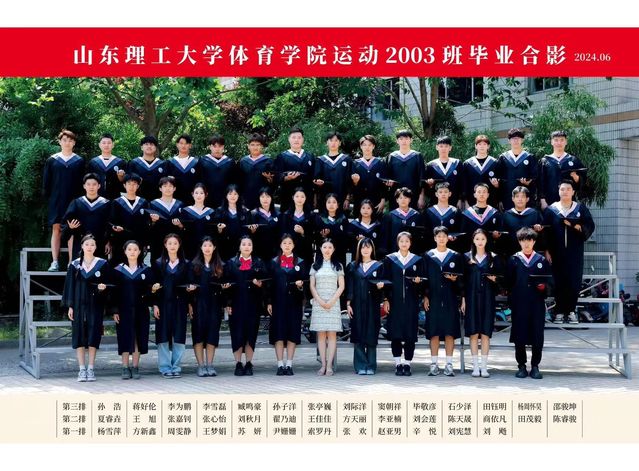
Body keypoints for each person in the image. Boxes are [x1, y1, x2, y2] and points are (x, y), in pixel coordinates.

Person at [544, 180, 595, 324]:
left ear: (573, 192)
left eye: (568, 189)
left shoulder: (580, 209)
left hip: (575, 252)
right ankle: (559, 312)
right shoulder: (551, 210)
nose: (565, 191)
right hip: (556, 252)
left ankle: (571, 311)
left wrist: (579, 227)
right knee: (558, 281)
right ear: (558, 191)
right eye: (562, 189)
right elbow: (545, 232)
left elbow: (590, 225)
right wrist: (546, 250)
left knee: (574, 281)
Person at [62, 234, 111, 382]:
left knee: (93, 335)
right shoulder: (75, 265)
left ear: (96, 247)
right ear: (82, 246)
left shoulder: (102, 264)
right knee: (79, 336)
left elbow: (108, 285)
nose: (89, 247)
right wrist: (70, 306)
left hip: (95, 305)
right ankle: (81, 369)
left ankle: (91, 368)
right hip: (78, 305)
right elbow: (69, 287)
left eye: (92, 244)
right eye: (87, 244)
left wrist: (103, 289)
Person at [506, 227, 552, 379]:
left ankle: (535, 366)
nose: (526, 244)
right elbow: (508, 283)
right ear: (519, 242)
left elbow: (550, 281)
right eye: (523, 240)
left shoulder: (541, 260)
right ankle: (521, 366)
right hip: (519, 303)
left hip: (536, 303)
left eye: (529, 240)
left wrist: (544, 287)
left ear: (534, 241)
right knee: (519, 334)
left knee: (537, 334)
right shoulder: (514, 260)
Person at [223, 236, 268, 376]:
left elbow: (267, 283)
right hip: (236, 304)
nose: (247, 247)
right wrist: (227, 303)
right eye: (244, 244)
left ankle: (249, 363)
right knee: (236, 334)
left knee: (251, 333)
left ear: (252, 247)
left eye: (249, 244)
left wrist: (260, 285)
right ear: (239, 247)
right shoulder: (231, 263)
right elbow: (225, 283)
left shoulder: (258, 262)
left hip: (253, 304)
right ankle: (238, 363)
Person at [423, 226, 463, 377]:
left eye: (444, 236)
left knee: (449, 332)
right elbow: (424, 279)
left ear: (448, 238)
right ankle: (433, 364)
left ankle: (449, 364)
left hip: (449, 298)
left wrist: (455, 280)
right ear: (434, 238)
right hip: (433, 298)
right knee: (433, 332)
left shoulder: (455, 256)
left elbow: (461, 279)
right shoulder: (428, 256)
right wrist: (425, 296)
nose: (441, 239)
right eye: (438, 236)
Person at [266, 234, 309, 376]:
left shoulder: (300, 262)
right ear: (280, 245)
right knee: (278, 333)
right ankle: (280, 365)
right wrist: (269, 302)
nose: (287, 245)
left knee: (292, 332)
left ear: (294, 245)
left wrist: (300, 286)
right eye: (284, 243)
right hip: (278, 303)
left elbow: (305, 283)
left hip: (294, 303)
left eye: (290, 243)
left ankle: (289, 364)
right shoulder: (274, 262)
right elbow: (269, 284)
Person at [461, 229, 502, 378]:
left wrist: (495, 280)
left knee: (485, 333)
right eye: (477, 239)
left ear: (487, 240)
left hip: (487, 298)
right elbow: (462, 280)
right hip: (471, 298)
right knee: (473, 332)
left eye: (483, 239)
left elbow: (501, 280)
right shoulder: (466, 257)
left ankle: (484, 367)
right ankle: (475, 366)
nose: (480, 242)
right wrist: (463, 299)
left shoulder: (493, 258)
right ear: (473, 240)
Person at [383, 232, 424, 376]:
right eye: (401, 241)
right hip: (395, 303)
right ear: (397, 243)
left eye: (407, 241)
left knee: (410, 335)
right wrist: (386, 299)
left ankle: (407, 364)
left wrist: (418, 283)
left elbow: (423, 282)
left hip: (411, 303)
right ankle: (397, 363)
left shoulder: (417, 260)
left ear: (410, 243)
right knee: (395, 334)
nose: (404, 243)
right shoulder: (390, 259)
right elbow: (386, 281)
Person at [111, 240, 154, 380]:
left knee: (138, 338)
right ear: (125, 252)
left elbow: (150, 291)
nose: (132, 252)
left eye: (135, 249)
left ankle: (135, 367)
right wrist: (115, 310)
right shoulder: (118, 270)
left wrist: (152, 292)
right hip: (123, 310)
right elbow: (113, 293)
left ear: (140, 252)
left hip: (141, 309)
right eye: (129, 249)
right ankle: (125, 367)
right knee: (124, 337)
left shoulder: (146, 270)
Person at [43, 129, 85, 271]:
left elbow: (82, 184)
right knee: (56, 229)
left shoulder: (79, 161)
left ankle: (71, 262)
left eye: (70, 140)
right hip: (56, 201)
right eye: (64, 140)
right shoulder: (52, 160)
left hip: (73, 201)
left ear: (74, 143)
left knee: (72, 229)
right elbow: (46, 183)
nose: (67, 143)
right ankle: (54, 261)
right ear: (60, 142)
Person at [151, 233, 191, 378]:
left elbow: (189, 282)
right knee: (163, 335)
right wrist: (155, 304)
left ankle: (176, 366)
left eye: (175, 243)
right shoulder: (158, 263)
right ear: (165, 245)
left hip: (180, 304)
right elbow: (154, 285)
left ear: (179, 245)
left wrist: (189, 301)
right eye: (170, 243)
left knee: (179, 334)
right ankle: (165, 367)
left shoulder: (186, 264)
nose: (172, 246)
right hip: (163, 303)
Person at [189, 236, 227, 377]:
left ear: (214, 247)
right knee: (198, 334)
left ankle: (210, 364)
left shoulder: (220, 265)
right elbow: (188, 285)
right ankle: (200, 365)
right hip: (198, 304)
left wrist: (225, 290)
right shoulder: (193, 265)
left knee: (212, 334)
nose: (207, 248)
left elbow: (225, 286)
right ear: (201, 247)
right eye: (205, 245)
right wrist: (189, 303)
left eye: (210, 245)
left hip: (214, 304)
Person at [346, 238, 385, 375]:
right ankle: (360, 365)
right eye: (363, 247)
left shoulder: (379, 266)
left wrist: (381, 288)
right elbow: (350, 285)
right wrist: (348, 303)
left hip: (372, 304)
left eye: (368, 247)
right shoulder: (353, 266)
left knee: (371, 333)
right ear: (359, 249)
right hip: (357, 304)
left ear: (372, 249)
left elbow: (384, 286)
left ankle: (371, 365)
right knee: (358, 333)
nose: (366, 249)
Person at [309, 238, 345, 376]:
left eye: (330, 247)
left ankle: (329, 366)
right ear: (320, 249)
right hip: (319, 303)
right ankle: (323, 365)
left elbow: (341, 286)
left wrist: (331, 301)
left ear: (334, 249)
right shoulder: (315, 266)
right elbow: (312, 286)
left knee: (332, 334)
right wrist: (320, 301)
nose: (327, 250)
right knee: (321, 335)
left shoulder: (338, 265)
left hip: (333, 303)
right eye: (325, 247)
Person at [61, 173, 111, 259]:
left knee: (99, 266)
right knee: (80, 266)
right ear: (84, 186)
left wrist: (109, 241)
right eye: (88, 184)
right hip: (80, 243)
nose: (91, 187)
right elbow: (65, 223)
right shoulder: (77, 203)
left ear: (99, 186)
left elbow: (110, 224)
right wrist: (70, 227)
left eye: (94, 184)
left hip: (100, 243)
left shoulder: (106, 204)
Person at [538, 130, 587, 210]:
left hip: (569, 202)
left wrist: (577, 178)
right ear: (552, 142)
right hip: (549, 201)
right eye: (556, 140)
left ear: (566, 142)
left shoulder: (573, 160)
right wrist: (542, 200)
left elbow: (584, 180)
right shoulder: (545, 161)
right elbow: (540, 182)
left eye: (562, 140)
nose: (559, 143)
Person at [109, 173, 150, 266]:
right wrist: (115, 227)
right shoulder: (117, 202)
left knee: (137, 265)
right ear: (124, 185)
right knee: (119, 265)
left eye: (134, 184)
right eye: (129, 184)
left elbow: (147, 223)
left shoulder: (143, 202)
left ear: (138, 186)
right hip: (121, 240)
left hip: (138, 240)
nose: (131, 187)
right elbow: (111, 221)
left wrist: (146, 242)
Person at [274, 126, 316, 212]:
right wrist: (286, 178)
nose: (296, 140)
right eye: (293, 137)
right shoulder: (282, 157)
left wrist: (315, 195)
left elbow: (314, 176)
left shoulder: (310, 156)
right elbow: (277, 176)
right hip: (288, 196)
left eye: (299, 137)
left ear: (303, 140)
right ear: (289, 139)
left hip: (307, 197)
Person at [497, 128, 537, 210]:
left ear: (522, 140)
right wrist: (500, 199)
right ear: (509, 141)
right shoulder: (503, 158)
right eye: (513, 138)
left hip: (525, 197)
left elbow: (535, 177)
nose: (516, 140)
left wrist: (528, 182)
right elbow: (499, 179)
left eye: (518, 138)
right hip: (507, 197)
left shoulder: (530, 157)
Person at [147, 176, 185, 263]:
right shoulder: (153, 204)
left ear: (174, 188)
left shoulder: (180, 204)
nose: (168, 188)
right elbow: (148, 225)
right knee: (157, 263)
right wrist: (153, 221)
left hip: (175, 241)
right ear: (160, 188)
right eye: (165, 186)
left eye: (170, 186)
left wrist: (180, 225)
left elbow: (183, 226)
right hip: (158, 240)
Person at [385, 129, 426, 209]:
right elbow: (387, 177)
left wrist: (421, 196)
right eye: (401, 139)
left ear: (411, 140)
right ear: (397, 141)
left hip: (413, 195)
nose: (404, 141)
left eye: (406, 138)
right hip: (396, 196)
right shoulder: (391, 157)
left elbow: (422, 177)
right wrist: (388, 182)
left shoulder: (417, 156)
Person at [313, 131, 353, 209]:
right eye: (331, 140)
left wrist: (347, 198)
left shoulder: (347, 159)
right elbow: (316, 179)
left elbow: (349, 181)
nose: (333, 143)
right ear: (327, 143)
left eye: (336, 140)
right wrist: (317, 182)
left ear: (340, 143)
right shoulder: (320, 160)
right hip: (324, 199)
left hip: (342, 199)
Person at [214, 184, 253, 261]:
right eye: (230, 194)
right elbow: (215, 231)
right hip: (224, 246)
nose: (233, 196)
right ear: (226, 196)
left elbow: (249, 231)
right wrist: (219, 229)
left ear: (238, 196)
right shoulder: (219, 211)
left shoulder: (245, 211)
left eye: (235, 194)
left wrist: (252, 229)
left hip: (240, 246)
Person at [380, 187, 424, 257]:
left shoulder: (416, 215)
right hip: (394, 252)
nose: (403, 200)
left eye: (405, 198)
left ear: (409, 199)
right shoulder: (390, 216)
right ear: (397, 200)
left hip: (413, 253)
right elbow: (386, 237)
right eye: (400, 198)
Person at [350, 135, 387, 217]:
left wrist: (383, 200)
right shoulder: (355, 163)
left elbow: (384, 184)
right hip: (360, 201)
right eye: (364, 145)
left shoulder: (380, 162)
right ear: (361, 146)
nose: (367, 147)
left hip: (376, 202)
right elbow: (351, 185)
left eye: (370, 145)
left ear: (373, 146)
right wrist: (355, 182)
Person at [459, 183, 502, 253]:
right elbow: (463, 235)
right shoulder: (467, 213)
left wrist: (497, 235)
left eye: (484, 192)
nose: (481, 194)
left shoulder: (494, 213)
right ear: (474, 195)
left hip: (490, 250)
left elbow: (499, 231)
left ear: (488, 195)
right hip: (471, 251)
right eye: (479, 192)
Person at [501, 186, 544, 256]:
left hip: (531, 253)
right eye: (517, 196)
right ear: (513, 199)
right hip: (511, 253)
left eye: (523, 197)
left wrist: (539, 230)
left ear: (527, 199)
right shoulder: (506, 215)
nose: (520, 199)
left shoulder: (534, 214)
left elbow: (542, 235)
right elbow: (503, 235)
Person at [199, 134, 238, 209]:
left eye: (220, 146)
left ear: (223, 147)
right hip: (207, 200)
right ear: (210, 147)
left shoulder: (230, 162)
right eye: (214, 146)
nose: (217, 149)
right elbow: (199, 181)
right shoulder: (203, 161)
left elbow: (234, 183)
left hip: (225, 200)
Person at [462, 135, 500, 208]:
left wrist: (497, 185)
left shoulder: (495, 163)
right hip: (472, 202)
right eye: (479, 144)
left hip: (491, 203)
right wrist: (465, 201)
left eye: (484, 144)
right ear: (475, 146)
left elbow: (500, 185)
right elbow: (464, 184)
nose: (482, 146)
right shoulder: (467, 164)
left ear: (488, 146)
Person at [425, 136, 463, 209]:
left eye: (446, 146)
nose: (443, 149)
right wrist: (430, 185)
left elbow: (462, 183)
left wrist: (460, 199)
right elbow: (426, 187)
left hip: (454, 201)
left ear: (450, 148)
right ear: (437, 147)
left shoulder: (457, 163)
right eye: (441, 146)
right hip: (436, 202)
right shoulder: (430, 165)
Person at [238, 133, 274, 209]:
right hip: (246, 198)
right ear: (248, 146)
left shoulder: (268, 161)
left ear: (262, 146)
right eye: (252, 145)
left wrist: (270, 179)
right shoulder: (243, 161)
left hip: (263, 198)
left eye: (258, 145)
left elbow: (274, 182)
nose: (255, 147)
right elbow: (239, 181)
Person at [179, 183, 215, 260]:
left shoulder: (211, 212)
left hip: (206, 247)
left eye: (201, 193)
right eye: (196, 193)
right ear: (192, 194)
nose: (199, 195)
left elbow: (213, 232)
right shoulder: (186, 211)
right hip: (189, 246)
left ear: (206, 195)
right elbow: (182, 231)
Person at [86, 133, 126, 201]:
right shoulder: (93, 162)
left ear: (113, 145)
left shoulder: (120, 162)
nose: (106, 145)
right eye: (104, 143)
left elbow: (125, 183)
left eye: (109, 143)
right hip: (96, 198)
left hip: (114, 198)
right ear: (99, 145)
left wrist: (121, 177)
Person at [279, 187, 314, 264]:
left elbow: (312, 236)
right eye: (297, 196)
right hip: (290, 251)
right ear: (293, 197)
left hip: (305, 251)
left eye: (302, 196)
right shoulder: (286, 215)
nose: (299, 199)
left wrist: (303, 232)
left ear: (305, 198)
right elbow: (282, 234)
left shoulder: (310, 215)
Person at [128, 135, 168, 203]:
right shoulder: (133, 163)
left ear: (155, 148)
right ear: (142, 147)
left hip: (158, 201)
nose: (149, 146)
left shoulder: (163, 164)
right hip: (137, 201)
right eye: (146, 144)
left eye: (151, 144)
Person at [313, 193, 349, 269]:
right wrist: (322, 235)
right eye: (329, 202)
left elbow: (347, 237)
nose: (331, 205)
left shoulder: (343, 218)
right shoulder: (319, 218)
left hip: (339, 252)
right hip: (323, 253)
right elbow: (314, 237)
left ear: (338, 205)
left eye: (334, 202)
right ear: (325, 204)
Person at [423, 182, 461, 251]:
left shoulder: (455, 212)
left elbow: (458, 231)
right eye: (440, 192)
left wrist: (453, 236)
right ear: (436, 194)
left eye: (445, 192)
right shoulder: (429, 212)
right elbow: (426, 232)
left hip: (450, 248)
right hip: (432, 248)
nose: (443, 194)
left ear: (450, 194)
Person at [166, 133, 201, 205]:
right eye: (181, 143)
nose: (183, 146)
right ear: (177, 145)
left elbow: (200, 182)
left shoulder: (196, 162)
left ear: (190, 145)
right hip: (174, 201)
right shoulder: (170, 163)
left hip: (193, 201)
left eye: (186, 143)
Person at [249, 187, 281, 262]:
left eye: (267, 196)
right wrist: (252, 231)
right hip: (258, 253)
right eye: (262, 197)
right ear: (259, 198)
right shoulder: (253, 214)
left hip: (274, 253)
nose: (265, 199)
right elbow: (248, 235)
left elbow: (280, 234)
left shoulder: (277, 214)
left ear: (271, 198)